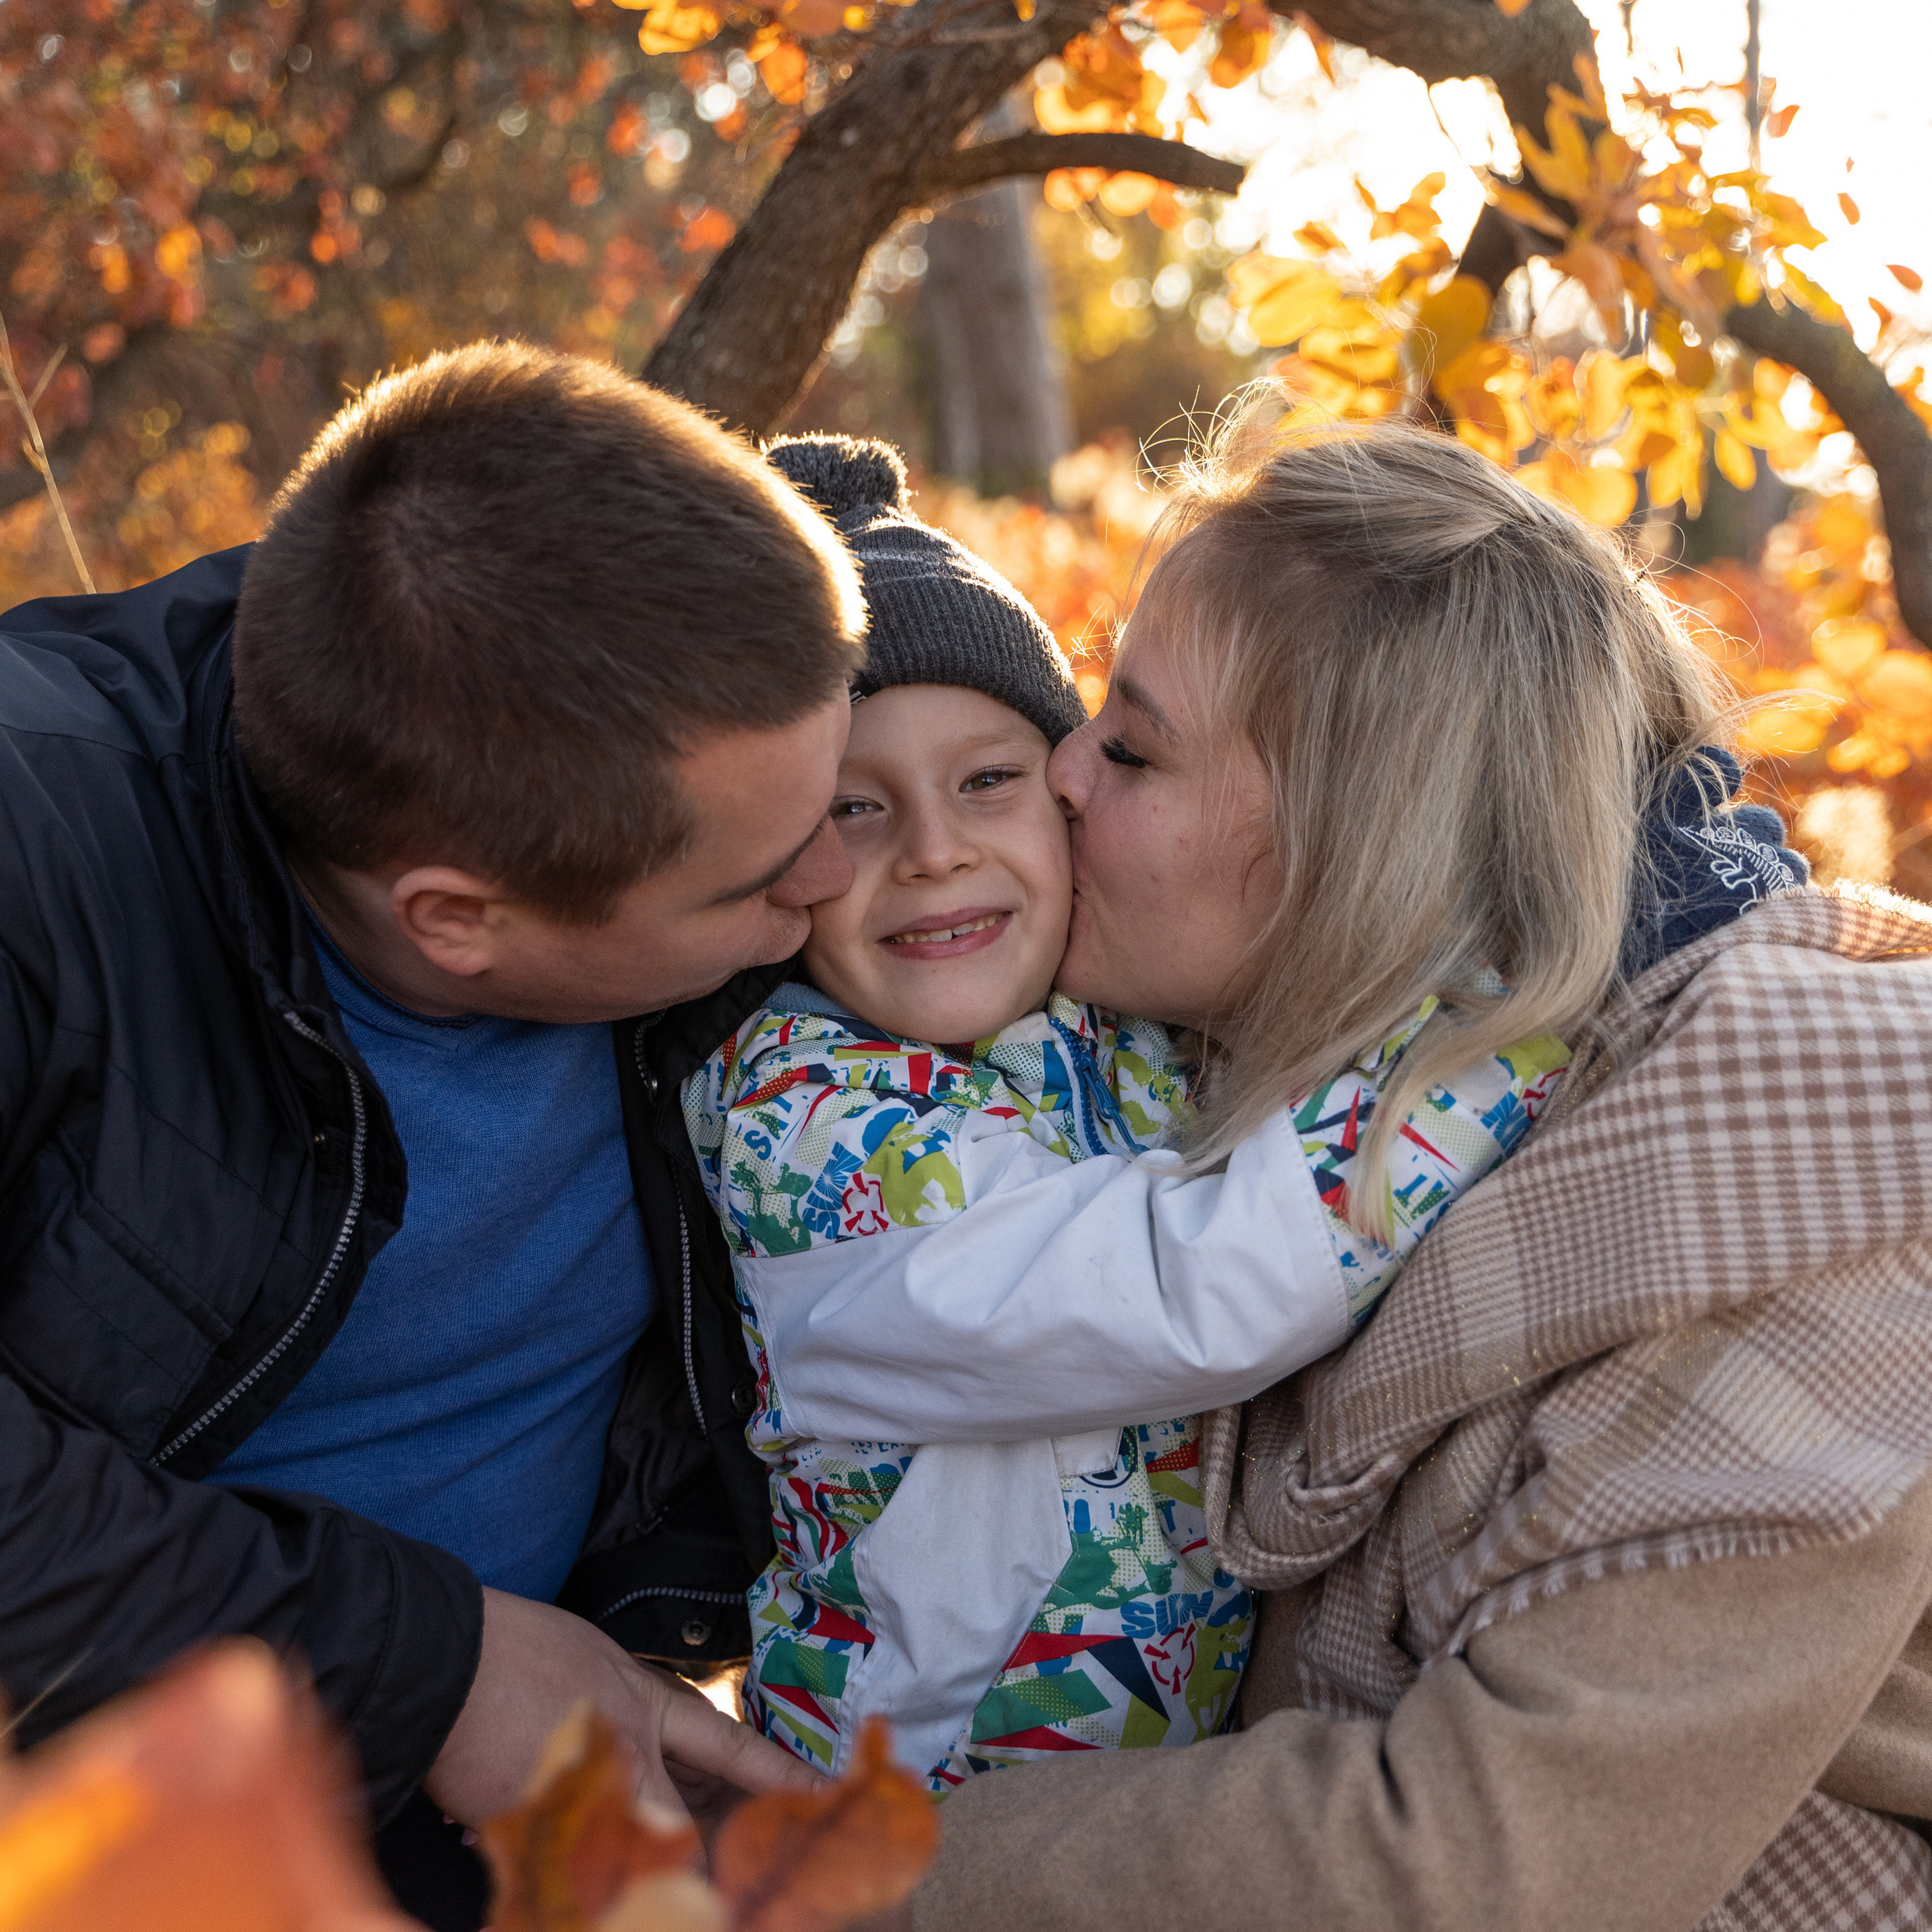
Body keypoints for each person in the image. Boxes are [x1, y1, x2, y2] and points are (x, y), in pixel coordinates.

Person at [731, 417, 1930, 1931]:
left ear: (1358, 842)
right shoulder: (1233, 1086)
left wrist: (878, 1872)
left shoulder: (1816, 1186)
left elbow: (1481, 1859)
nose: (1063, 775)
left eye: (1135, 742)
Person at [0, 342, 849, 1924]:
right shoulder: (38, 854)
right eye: (762, 882)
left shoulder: (650, 737)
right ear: (459, 917)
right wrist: (432, 1666)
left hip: (571, 1807)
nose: (832, 891)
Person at [684, 435, 1569, 1789]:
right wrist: (1505, 1030)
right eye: (855, 807)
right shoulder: (807, 1127)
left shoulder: (1127, 1041)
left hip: (1139, 1796)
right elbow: (1193, 1287)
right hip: (907, 1817)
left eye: (990, 780)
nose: (932, 851)